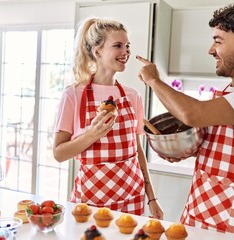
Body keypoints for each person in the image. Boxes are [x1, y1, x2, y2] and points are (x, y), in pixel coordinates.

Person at [136, 0, 234, 238]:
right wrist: (182, 150)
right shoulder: (230, 91)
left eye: (218, 41)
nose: (210, 50)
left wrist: (154, 80)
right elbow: (212, 148)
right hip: (198, 216)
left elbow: (192, 114)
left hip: (230, 227)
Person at [53, 17, 163, 220]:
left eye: (127, 46)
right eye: (118, 46)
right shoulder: (73, 95)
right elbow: (59, 154)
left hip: (133, 197)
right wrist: (91, 135)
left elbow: (137, 151)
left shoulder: (132, 96)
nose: (126, 52)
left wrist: (152, 198)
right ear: (98, 52)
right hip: (92, 199)